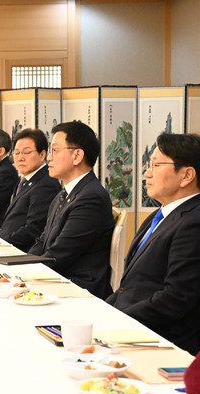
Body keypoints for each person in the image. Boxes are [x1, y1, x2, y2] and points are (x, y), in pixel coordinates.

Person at [107, 134, 200, 355]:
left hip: (157, 340)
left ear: (187, 175)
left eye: (156, 165)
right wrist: (102, 311)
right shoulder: (161, 215)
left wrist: (114, 320)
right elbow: (129, 287)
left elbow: (174, 299)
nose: (147, 173)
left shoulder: (199, 224)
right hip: (130, 325)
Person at [28, 121, 114, 299]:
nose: (49, 158)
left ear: (77, 156)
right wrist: (22, 266)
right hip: (57, 279)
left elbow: (61, 254)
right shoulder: (65, 194)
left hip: (77, 287)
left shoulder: (92, 197)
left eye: (55, 150)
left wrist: (24, 275)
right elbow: (42, 242)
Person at [0, 129, 61, 251]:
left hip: (22, 252)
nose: (20, 158)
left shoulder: (46, 184)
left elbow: (34, 229)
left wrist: (0, 243)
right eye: (16, 153)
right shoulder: (25, 180)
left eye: (26, 152)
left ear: (42, 155)